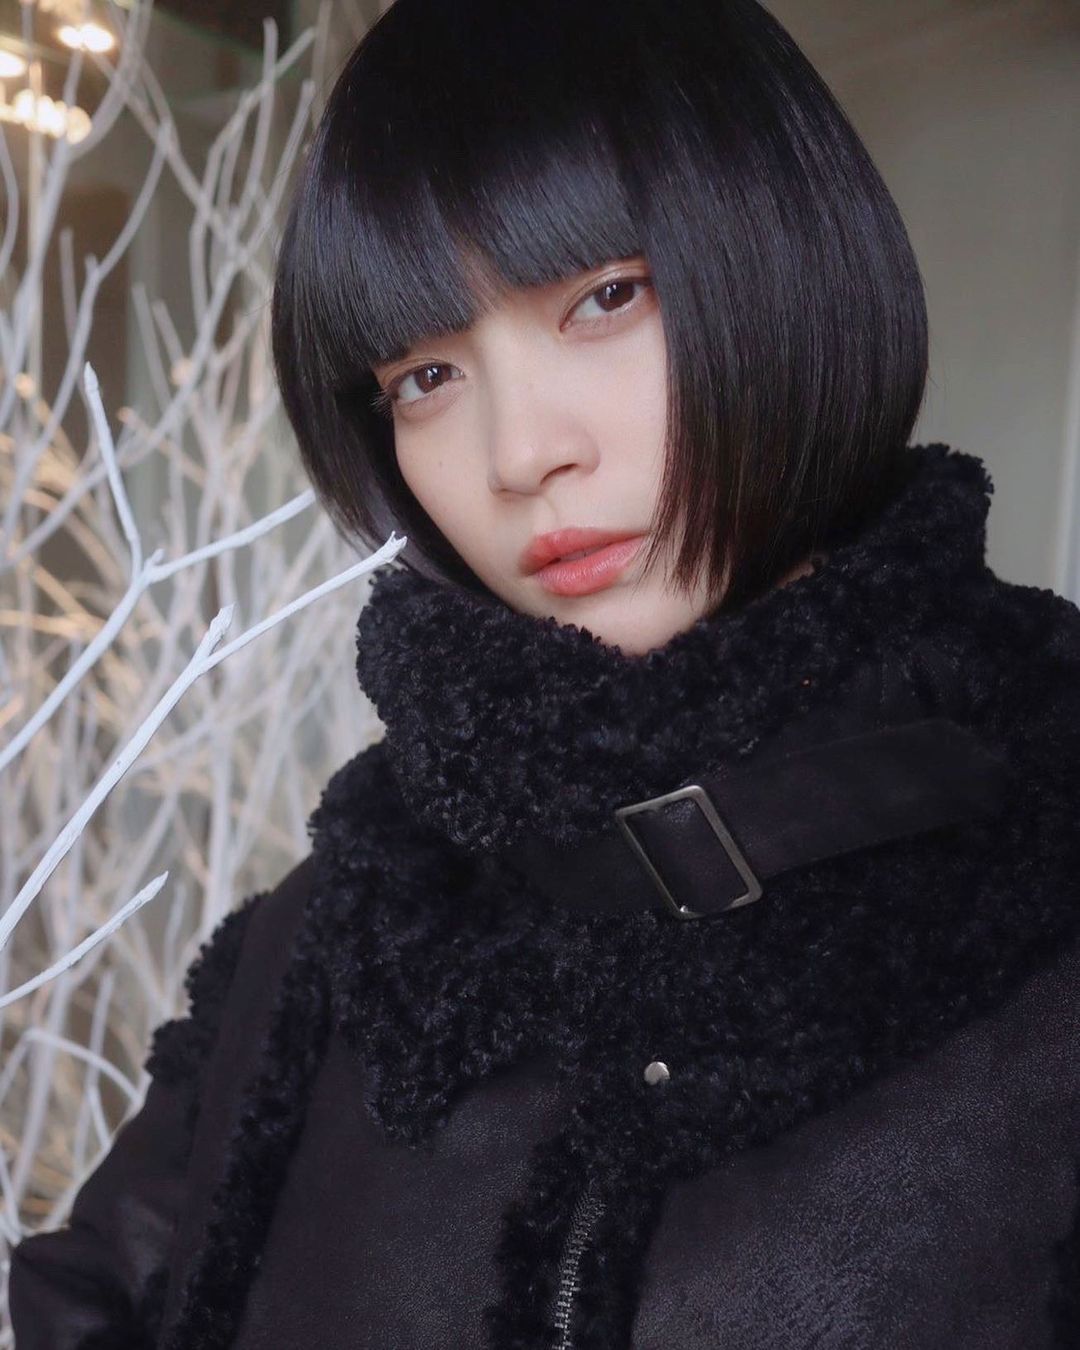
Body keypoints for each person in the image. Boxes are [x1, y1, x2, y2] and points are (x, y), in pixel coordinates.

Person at [9, 0, 1080, 1346]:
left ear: (791, 254)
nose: (521, 454)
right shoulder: (337, 935)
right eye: (425, 376)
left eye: (605, 298)